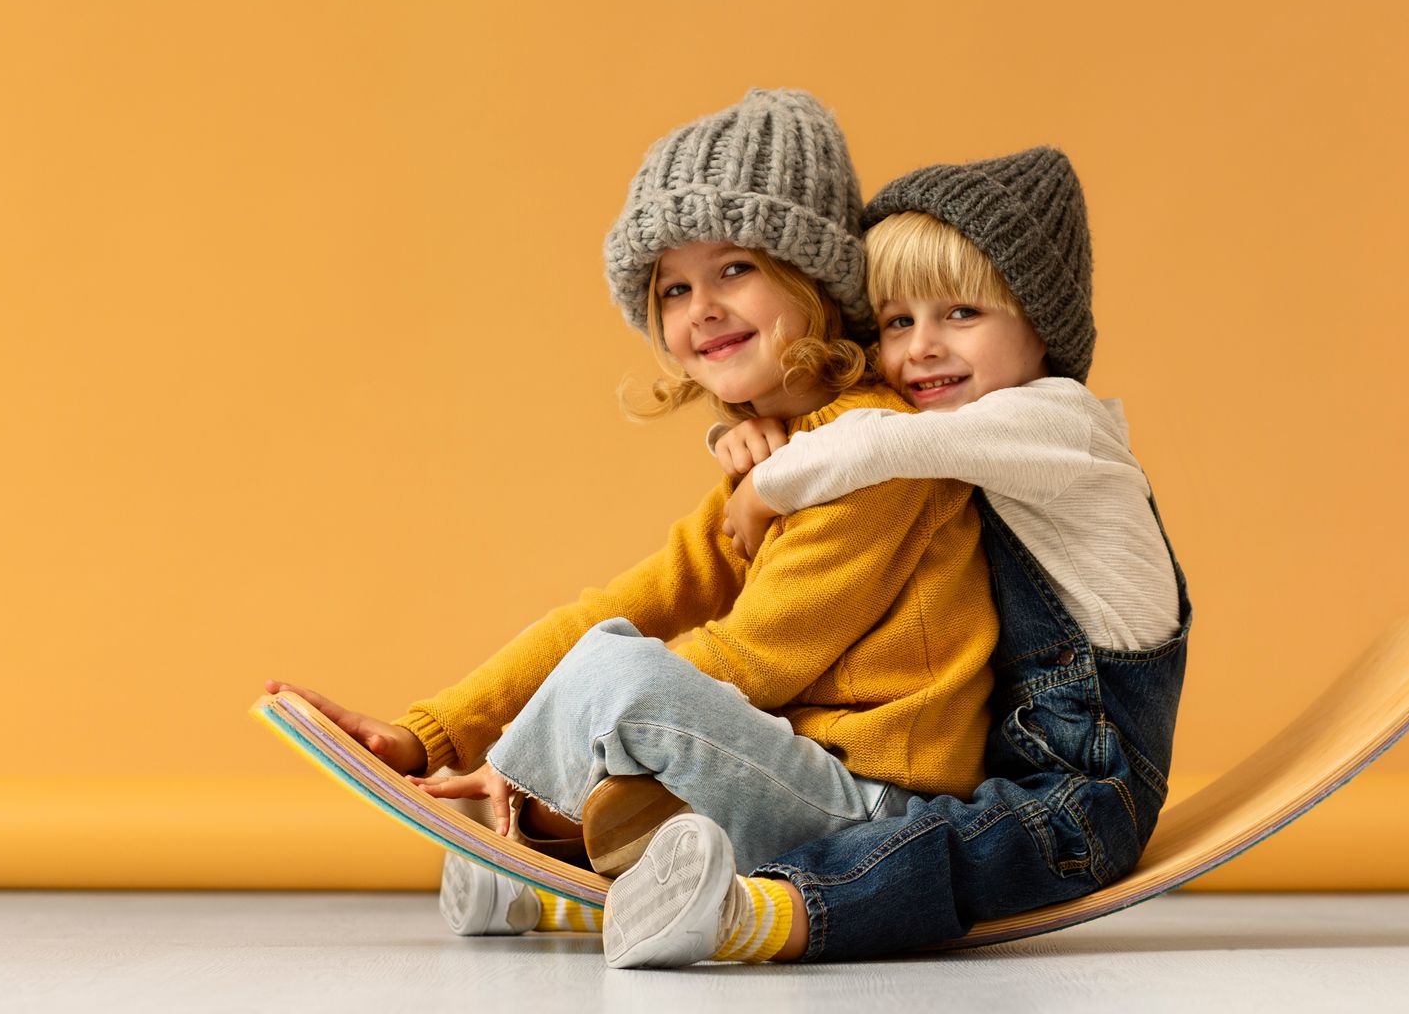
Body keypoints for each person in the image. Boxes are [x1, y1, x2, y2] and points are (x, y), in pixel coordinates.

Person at [263, 89, 1000, 967]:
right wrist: (435, 731)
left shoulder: (874, 454)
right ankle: (540, 876)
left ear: (816, 278)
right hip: (789, 764)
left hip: (877, 800)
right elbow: (636, 597)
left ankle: (529, 830)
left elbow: (754, 658)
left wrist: (529, 757)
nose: (700, 308)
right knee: (612, 673)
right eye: (673, 288)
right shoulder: (779, 453)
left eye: (734, 270)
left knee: (622, 680)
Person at [630, 146, 1194, 963]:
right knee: (845, 814)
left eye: (960, 313)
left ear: (1041, 323)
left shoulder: (1058, 422)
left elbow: (878, 442)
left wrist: (763, 486)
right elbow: (855, 416)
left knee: (947, 852)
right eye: (898, 321)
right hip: (1001, 762)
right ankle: (600, 901)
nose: (921, 348)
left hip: (1093, 785)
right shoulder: (972, 439)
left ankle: (759, 915)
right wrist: (742, 431)